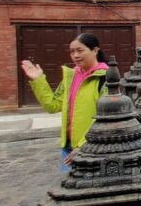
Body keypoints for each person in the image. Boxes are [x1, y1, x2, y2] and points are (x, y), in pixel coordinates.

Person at [20, 33, 108, 172]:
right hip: (68, 148)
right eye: (72, 51)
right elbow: (52, 106)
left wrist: (83, 146)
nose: (75, 55)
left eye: (80, 50)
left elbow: (104, 118)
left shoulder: (105, 78)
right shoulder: (70, 76)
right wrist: (38, 80)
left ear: (95, 50)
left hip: (92, 148)